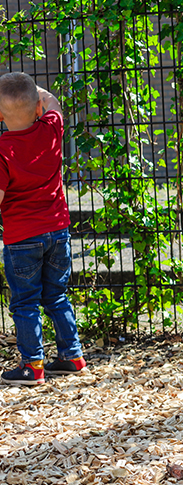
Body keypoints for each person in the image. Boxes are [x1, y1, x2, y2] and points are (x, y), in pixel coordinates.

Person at [0, 72, 87, 386]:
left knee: (25, 302)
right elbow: (53, 101)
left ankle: (32, 365)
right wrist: (33, 94)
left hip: (22, 237)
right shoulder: (51, 129)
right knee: (57, 296)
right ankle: (72, 356)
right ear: (38, 108)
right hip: (58, 232)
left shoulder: (2, 149)